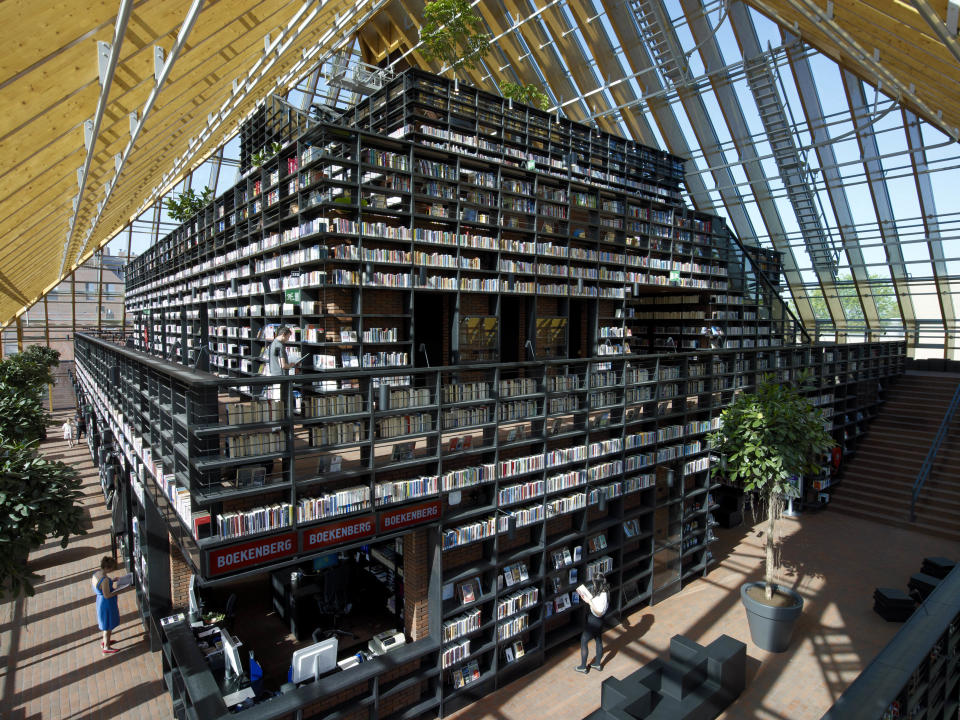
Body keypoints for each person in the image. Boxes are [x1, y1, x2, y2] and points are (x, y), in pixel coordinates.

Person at [92, 556, 131, 654]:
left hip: (100, 602)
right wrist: (119, 590)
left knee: (105, 622)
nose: (112, 570)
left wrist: (112, 580)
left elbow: (100, 587)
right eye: (111, 568)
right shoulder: (105, 580)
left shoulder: (96, 574)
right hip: (106, 604)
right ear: (107, 568)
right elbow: (107, 595)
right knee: (107, 625)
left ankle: (106, 641)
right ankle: (106, 646)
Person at [574, 572, 610, 673]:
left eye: (594, 582)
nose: (593, 583)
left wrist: (589, 602)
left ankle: (583, 667)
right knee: (598, 639)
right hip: (599, 621)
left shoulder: (603, 596)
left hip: (594, 621)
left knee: (584, 641)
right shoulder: (604, 591)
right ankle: (597, 664)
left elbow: (599, 612)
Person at [267, 326, 294, 400]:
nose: (288, 339)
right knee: (283, 399)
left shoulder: (272, 344)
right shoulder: (280, 346)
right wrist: (291, 365)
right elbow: (283, 365)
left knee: (276, 400)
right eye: (288, 337)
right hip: (281, 375)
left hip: (274, 374)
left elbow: (275, 359)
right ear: (283, 335)